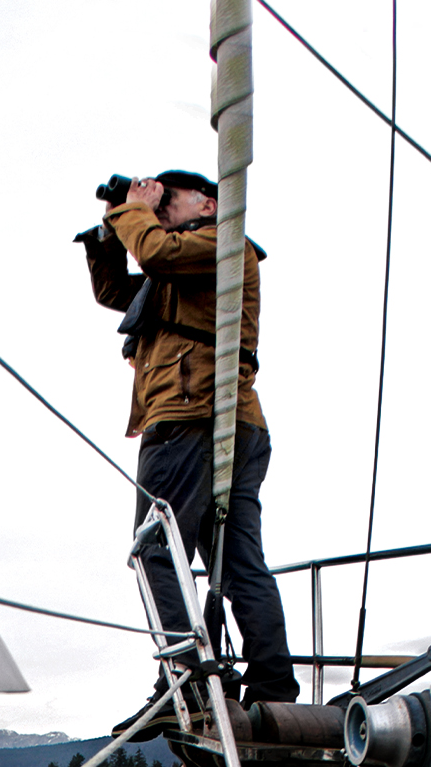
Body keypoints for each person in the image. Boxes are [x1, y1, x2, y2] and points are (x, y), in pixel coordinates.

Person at [77, 170, 299, 732]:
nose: (158, 207)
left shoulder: (223, 243)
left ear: (208, 199)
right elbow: (116, 293)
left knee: (157, 547)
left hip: (189, 415)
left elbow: (152, 251)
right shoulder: (185, 268)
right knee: (239, 560)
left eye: (166, 199)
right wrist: (110, 230)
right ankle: (274, 688)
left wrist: (134, 211)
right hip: (225, 420)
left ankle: (186, 680)